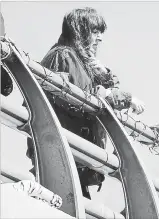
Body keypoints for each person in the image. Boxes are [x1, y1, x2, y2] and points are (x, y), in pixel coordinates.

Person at [26, 7, 145, 199]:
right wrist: (120, 96)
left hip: (72, 158)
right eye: (95, 32)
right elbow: (81, 99)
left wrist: (105, 76)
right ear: (79, 30)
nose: (100, 38)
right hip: (61, 155)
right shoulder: (64, 55)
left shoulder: (78, 60)